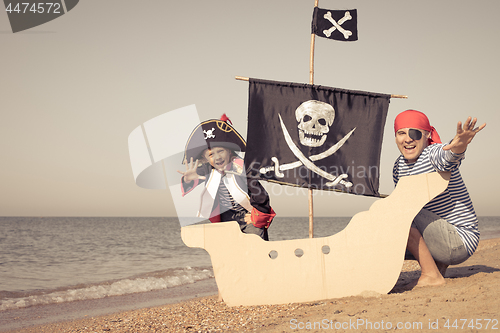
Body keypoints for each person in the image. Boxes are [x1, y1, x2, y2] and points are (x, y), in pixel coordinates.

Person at [393, 109, 486, 287]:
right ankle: (437, 268)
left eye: (414, 133)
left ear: (426, 134)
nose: (407, 139)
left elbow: (449, 155)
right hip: (441, 239)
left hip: (459, 239)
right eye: (401, 133)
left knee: (401, 214)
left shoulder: (432, 154)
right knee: (389, 229)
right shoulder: (398, 167)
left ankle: (431, 275)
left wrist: (460, 144)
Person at [177, 114, 276, 241]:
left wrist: (257, 216)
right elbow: (194, 178)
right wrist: (188, 179)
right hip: (226, 218)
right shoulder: (208, 170)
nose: (217, 157)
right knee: (231, 252)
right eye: (211, 154)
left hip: (248, 216)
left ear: (230, 151)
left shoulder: (242, 168)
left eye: (221, 151)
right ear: (205, 159)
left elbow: (260, 194)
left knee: (255, 248)